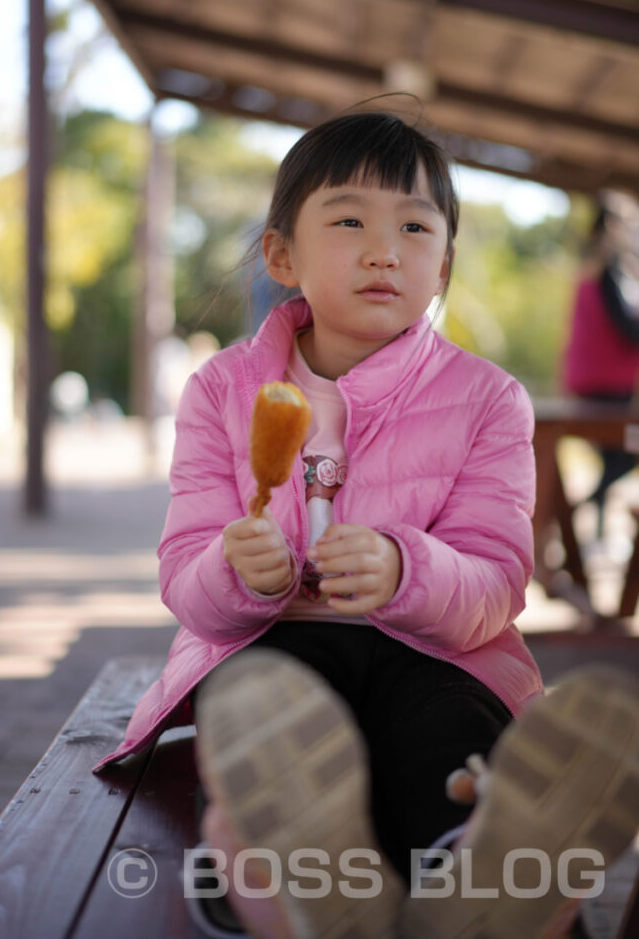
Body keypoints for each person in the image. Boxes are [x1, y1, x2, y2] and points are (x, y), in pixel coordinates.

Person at [93, 104, 571, 932]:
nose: (384, 249)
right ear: (282, 253)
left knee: (446, 731)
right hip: (272, 639)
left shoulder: (487, 399)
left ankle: (473, 869)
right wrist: (233, 571)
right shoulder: (221, 389)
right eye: (348, 218)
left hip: (435, 646)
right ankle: (281, 874)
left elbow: (496, 583)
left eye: (415, 228)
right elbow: (186, 583)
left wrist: (403, 567)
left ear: (444, 264)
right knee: (264, 715)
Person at [562, 196, 639, 535]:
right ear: (611, 226)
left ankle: (594, 519)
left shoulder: (593, 266)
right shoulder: (608, 271)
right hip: (606, 383)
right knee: (627, 451)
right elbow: (626, 326)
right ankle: (585, 505)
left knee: (615, 457)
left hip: (593, 380)